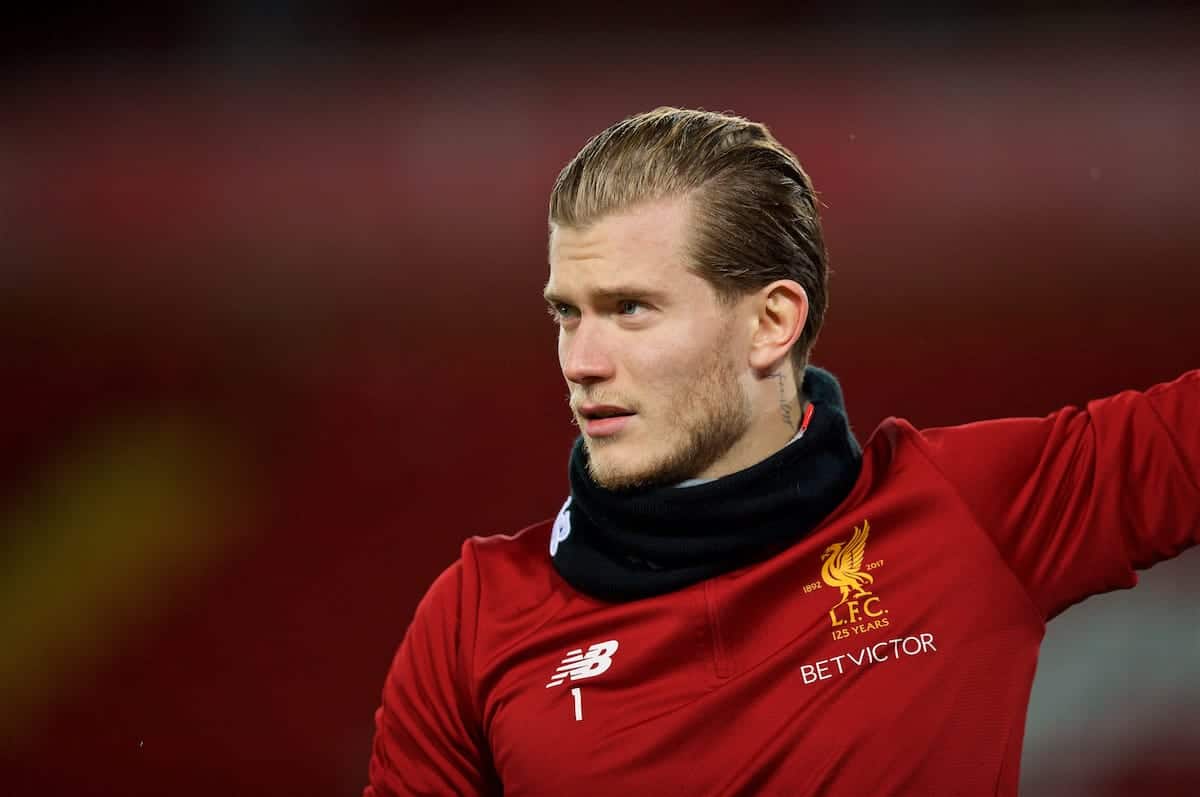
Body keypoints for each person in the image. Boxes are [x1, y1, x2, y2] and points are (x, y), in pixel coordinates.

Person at [363, 107, 1198, 795]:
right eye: (566, 313)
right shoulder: (474, 619)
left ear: (772, 322)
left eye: (629, 309)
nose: (581, 361)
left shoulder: (964, 510)